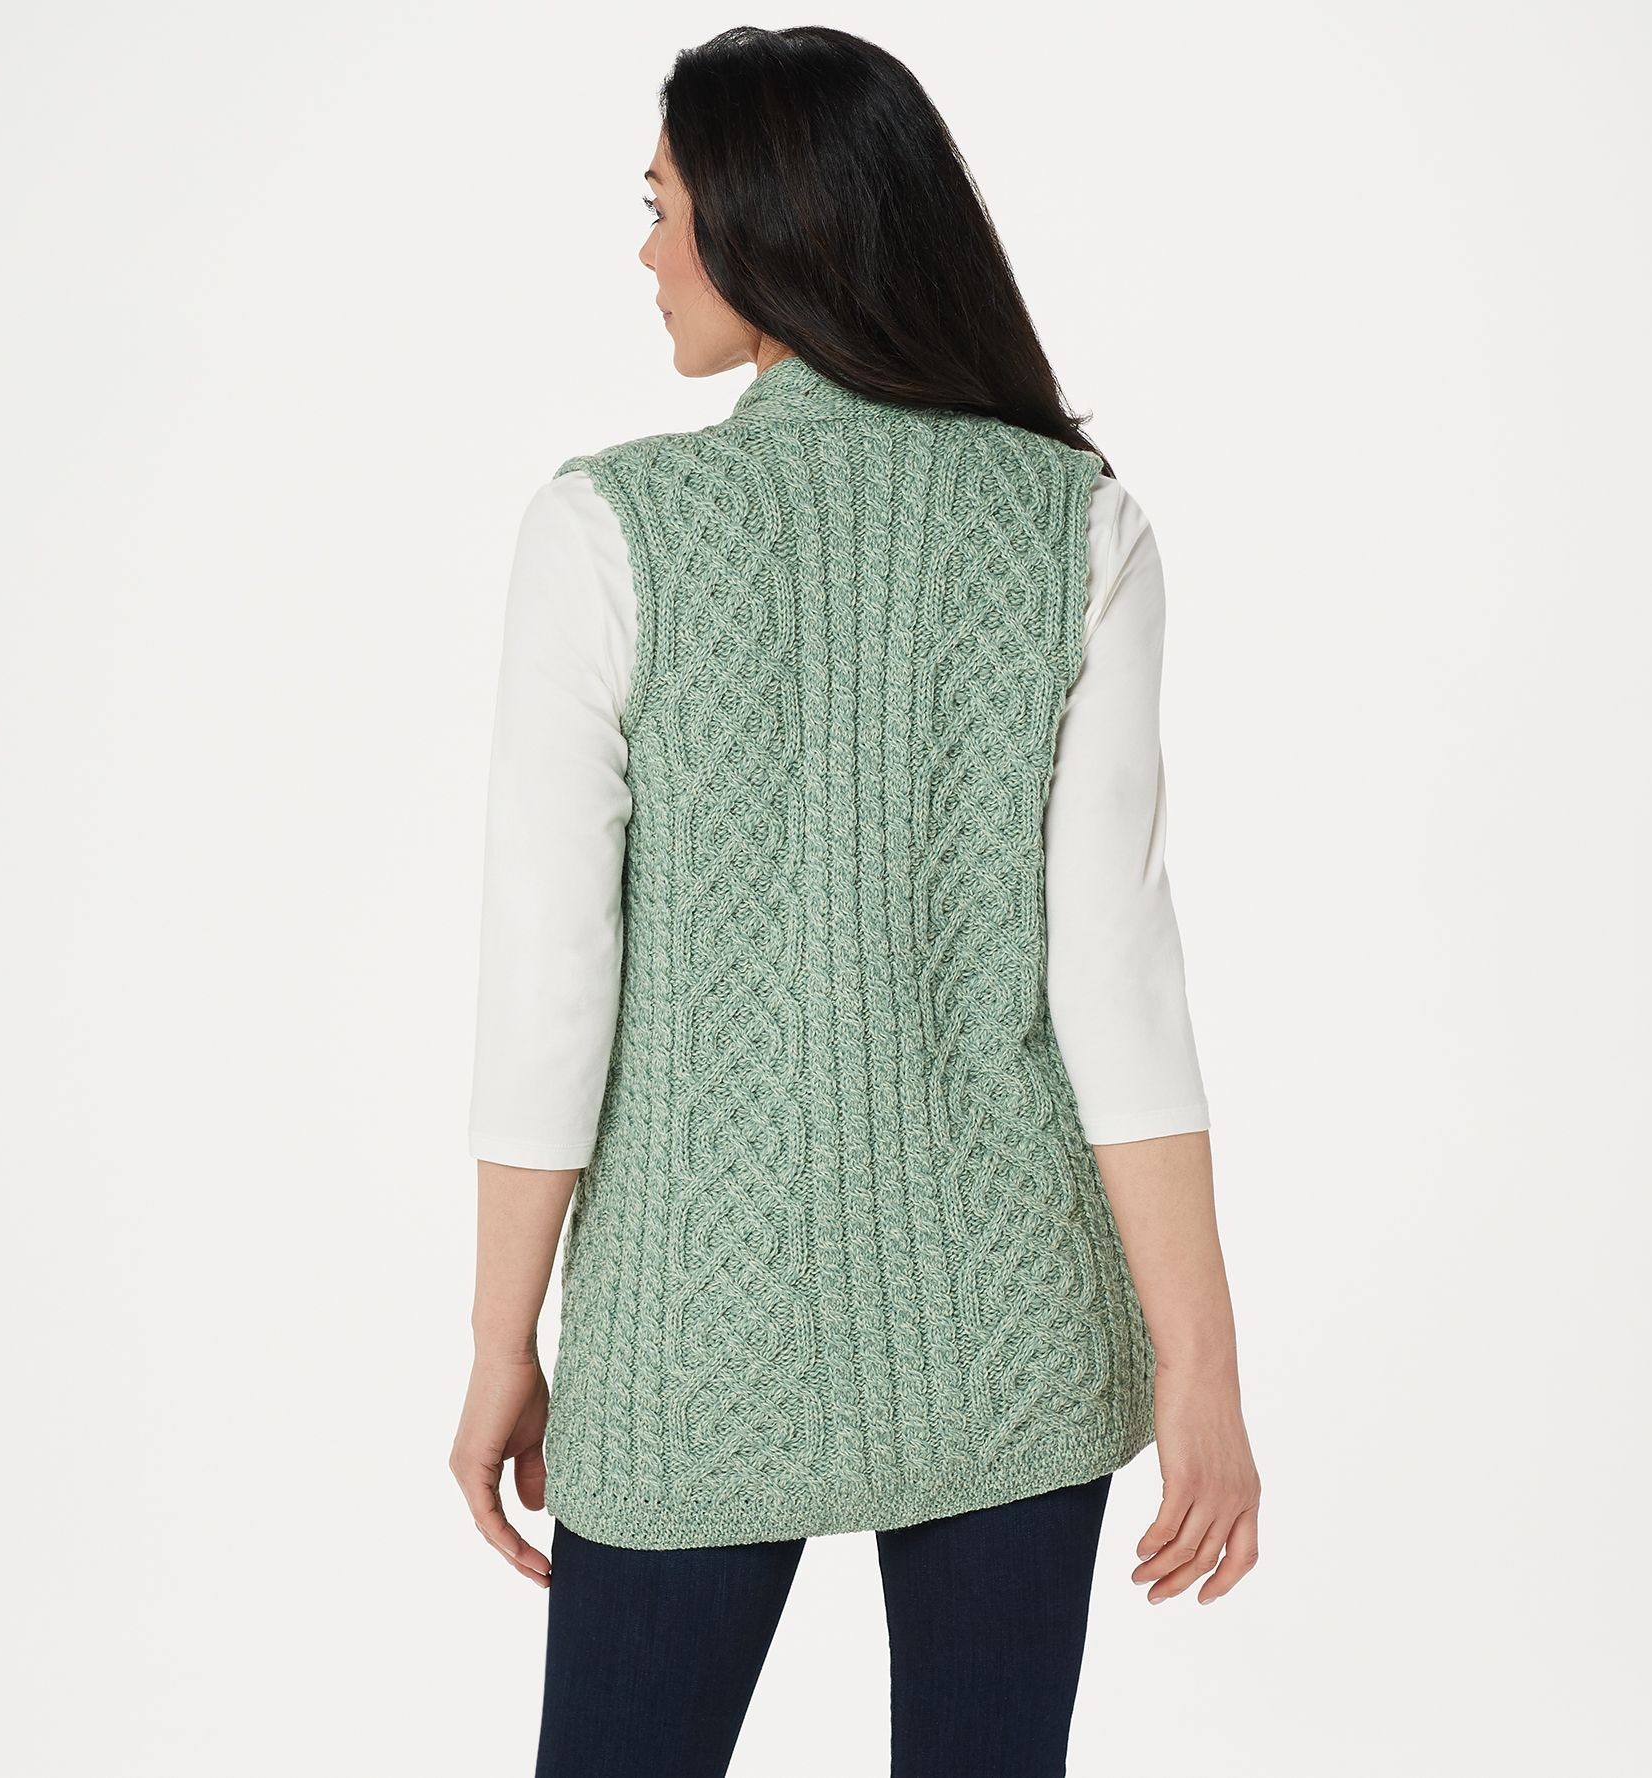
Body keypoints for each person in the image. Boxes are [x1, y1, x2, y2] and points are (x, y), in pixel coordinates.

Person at [449, 24, 1260, 1777]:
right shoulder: (1077, 524)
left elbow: (551, 982)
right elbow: (1118, 978)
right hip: (1014, 1323)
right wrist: (1199, 1360)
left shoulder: (605, 530)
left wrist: (503, 1337)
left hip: (687, 1327)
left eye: (659, 206)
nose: (645, 252)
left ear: (761, 221)